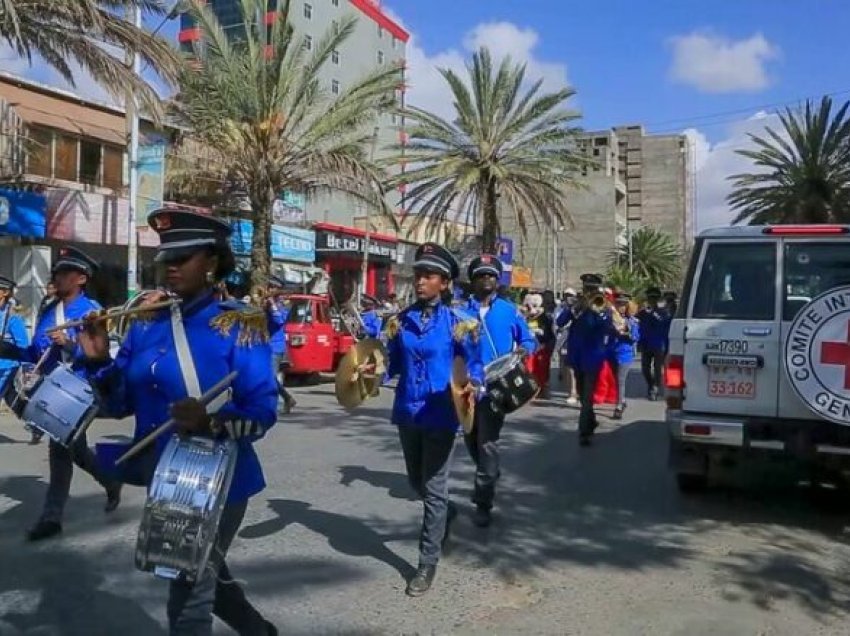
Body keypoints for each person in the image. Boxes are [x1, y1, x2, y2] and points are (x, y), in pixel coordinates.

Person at [82, 209, 278, 635]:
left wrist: (211, 422)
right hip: (165, 476)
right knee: (203, 572)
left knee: (187, 596)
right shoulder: (144, 324)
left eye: (183, 257)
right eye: (166, 257)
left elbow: (263, 412)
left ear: (210, 261)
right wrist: (97, 360)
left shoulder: (240, 324)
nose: (170, 266)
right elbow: (118, 405)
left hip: (219, 479)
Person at [381, 242, 483, 596]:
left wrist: (474, 388)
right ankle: (447, 513)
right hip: (408, 411)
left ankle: (427, 563)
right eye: (418, 274)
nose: (420, 280)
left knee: (434, 489)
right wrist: (369, 371)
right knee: (417, 483)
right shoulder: (401, 321)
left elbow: (475, 367)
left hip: (441, 414)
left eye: (428, 276)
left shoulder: (460, 324)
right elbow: (391, 363)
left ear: (445, 283)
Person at [0, 247, 123, 540]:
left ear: (81, 278)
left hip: (78, 390)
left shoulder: (90, 311)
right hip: (50, 390)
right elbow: (34, 351)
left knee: (59, 451)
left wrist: (70, 344)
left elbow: (100, 355)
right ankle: (111, 480)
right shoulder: (47, 309)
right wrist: (6, 349)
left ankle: (51, 518)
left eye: (64, 273)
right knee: (75, 451)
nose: (57, 276)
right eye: (56, 272)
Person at [463, 255, 535, 527]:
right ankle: (490, 471)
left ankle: (483, 501)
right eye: (481, 276)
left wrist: (524, 349)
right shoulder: (461, 311)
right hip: (467, 386)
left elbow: (528, 338)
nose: (486, 280)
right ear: (473, 281)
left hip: (496, 386)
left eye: (491, 276)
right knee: (471, 440)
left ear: (497, 281)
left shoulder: (508, 310)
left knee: (486, 442)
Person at [568, 274, 617, 446]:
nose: (589, 291)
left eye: (592, 289)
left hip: (593, 356)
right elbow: (560, 322)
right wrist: (572, 309)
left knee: (587, 396)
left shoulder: (603, 307)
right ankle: (591, 420)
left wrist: (597, 312)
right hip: (576, 356)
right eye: (587, 288)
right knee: (582, 395)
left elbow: (607, 328)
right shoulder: (576, 305)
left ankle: (584, 432)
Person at [266, 275, 297, 414]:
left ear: (278, 289)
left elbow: (279, 320)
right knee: (263, 375)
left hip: (276, 346)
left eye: (273, 287)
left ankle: (274, 404)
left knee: (270, 377)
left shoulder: (285, 304)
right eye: (269, 286)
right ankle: (287, 398)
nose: (270, 289)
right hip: (263, 345)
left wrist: (271, 303)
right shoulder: (265, 303)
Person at [608, 293, 640, 420]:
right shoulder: (610, 318)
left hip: (624, 354)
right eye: (618, 304)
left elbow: (636, 337)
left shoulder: (632, 321)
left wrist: (627, 332)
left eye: (623, 304)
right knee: (615, 381)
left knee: (620, 380)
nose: (620, 307)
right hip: (611, 353)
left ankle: (619, 406)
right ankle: (622, 400)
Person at [637, 286, 672, 401]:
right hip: (646, 344)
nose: (651, 300)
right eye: (650, 298)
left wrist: (653, 312)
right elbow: (636, 321)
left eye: (654, 298)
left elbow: (664, 323)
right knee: (645, 369)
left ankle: (656, 388)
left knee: (657, 368)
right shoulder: (644, 312)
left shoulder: (663, 312)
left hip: (659, 345)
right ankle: (651, 385)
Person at [0, 276, 28, 406]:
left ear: (5, 292)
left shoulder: (12, 315)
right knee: (11, 397)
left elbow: (22, 344)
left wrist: (26, 368)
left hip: (6, 366)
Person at [523, 292, 556, 399]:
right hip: (529, 348)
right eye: (529, 306)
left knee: (543, 370)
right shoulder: (524, 318)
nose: (532, 309)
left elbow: (550, 334)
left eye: (535, 306)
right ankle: (531, 390)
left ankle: (544, 389)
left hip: (542, 347)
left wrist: (545, 341)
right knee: (529, 369)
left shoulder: (545, 318)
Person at [556, 288, 580, 404]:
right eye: (566, 295)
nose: (568, 297)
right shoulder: (569, 307)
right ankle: (573, 392)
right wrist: (570, 308)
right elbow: (559, 322)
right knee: (571, 368)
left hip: (590, 345)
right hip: (573, 342)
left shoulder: (594, 305)